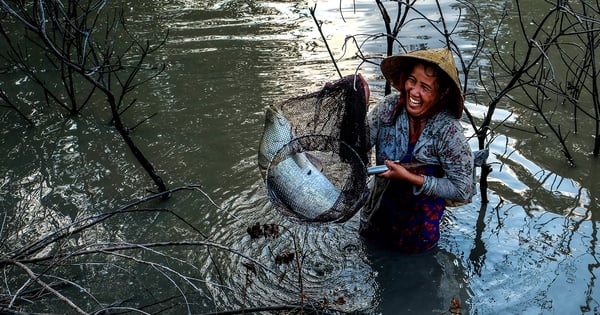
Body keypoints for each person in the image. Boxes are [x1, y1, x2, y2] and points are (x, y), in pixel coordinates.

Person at [360, 48, 474, 253]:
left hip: (418, 236)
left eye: (425, 87)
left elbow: (463, 190)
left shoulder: (447, 130)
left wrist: (411, 178)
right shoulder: (387, 109)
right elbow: (357, 148)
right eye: (412, 80)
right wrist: (359, 105)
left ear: (441, 93)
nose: (414, 92)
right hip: (376, 220)